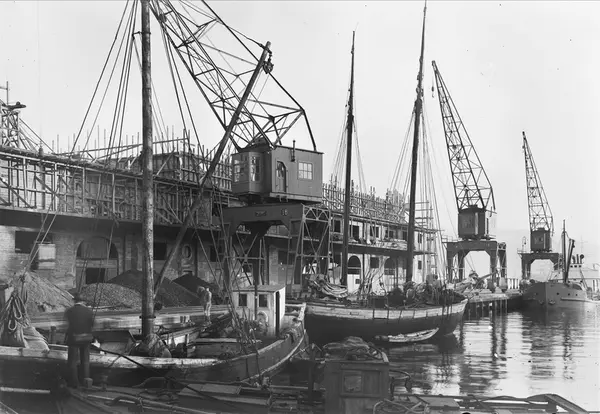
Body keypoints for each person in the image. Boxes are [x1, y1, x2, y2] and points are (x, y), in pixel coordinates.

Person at [64, 293, 94, 388]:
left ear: (74, 301)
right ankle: (86, 382)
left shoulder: (69, 311)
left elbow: (67, 324)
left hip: (74, 338)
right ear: (83, 301)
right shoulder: (89, 311)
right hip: (87, 338)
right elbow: (92, 324)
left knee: (72, 361)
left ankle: (74, 383)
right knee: (85, 361)